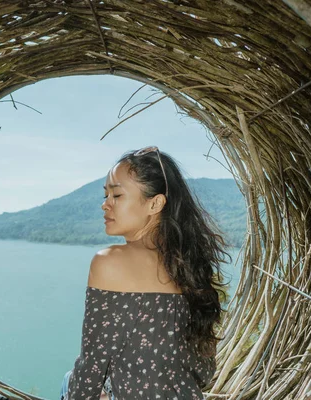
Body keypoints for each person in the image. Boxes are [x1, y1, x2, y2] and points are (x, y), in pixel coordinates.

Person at [63, 146, 230, 399]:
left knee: (68, 381)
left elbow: (91, 369)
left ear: (155, 203)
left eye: (117, 195)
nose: (105, 205)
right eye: (106, 195)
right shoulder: (188, 267)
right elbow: (204, 372)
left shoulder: (109, 262)